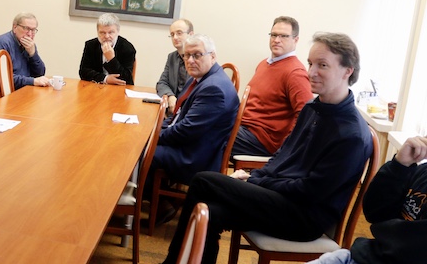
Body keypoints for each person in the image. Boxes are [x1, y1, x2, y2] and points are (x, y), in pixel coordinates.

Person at [160, 32, 373, 264]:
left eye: (322, 65)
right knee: (208, 210)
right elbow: (283, 154)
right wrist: (255, 175)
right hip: (280, 198)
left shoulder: (351, 134)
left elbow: (310, 192)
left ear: (347, 71)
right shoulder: (313, 107)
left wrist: (256, 182)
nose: (311, 72)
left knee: (203, 181)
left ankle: (172, 262)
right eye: (310, 63)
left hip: (303, 217)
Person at [149, 34, 239, 223]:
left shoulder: (213, 88)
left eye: (197, 55)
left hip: (196, 157)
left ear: (212, 56)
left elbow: (185, 131)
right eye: (186, 55)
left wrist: (153, 136)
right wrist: (154, 129)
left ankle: (158, 205)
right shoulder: (201, 77)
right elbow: (178, 119)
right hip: (193, 145)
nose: (190, 60)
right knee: (145, 142)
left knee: (143, 151)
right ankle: (159, 201)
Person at [307, 135, 427, 264]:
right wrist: (400, 166)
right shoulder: (423, 173)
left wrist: (386, 232)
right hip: (356, 257)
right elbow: (375, 214)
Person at [231, 16, 313, 157]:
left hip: (262, 140)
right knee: (207, 121)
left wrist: (285, 150)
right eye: (274, 35)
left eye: (284, 36)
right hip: (244, 128)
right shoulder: (264, 64)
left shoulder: (295, 73)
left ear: (296, 40)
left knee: (210, 131)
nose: (276, 40)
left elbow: (306, 115)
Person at [0, 12, 49, 101]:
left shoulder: (28, 45)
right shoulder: (2, 44)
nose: (30, 34)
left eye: (33, 30)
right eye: (26, 28)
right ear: (14, 27)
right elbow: (4, 80)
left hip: (22, 92)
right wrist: (32, 81)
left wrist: (33, 54)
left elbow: (40, 73)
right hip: (1, 97)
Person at [78, 12, 136, 85]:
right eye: (102, 33)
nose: (106, 36)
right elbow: (83, 72)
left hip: (118, 89)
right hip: (96, 87)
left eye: (111, 32)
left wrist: (111, 59)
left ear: (118, 32)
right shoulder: (90, 45)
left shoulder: (127, 48)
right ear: (97, 32)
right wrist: (105, 79)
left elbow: (126, 79)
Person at [156, 18, 195, 115]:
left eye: (179, 33)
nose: (175, 37)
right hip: (172, 111)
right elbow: (162, 83)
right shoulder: (172, 57)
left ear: (191, 34)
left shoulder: (197, 59)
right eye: (172, 34)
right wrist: (170, 96)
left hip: (189, 111)